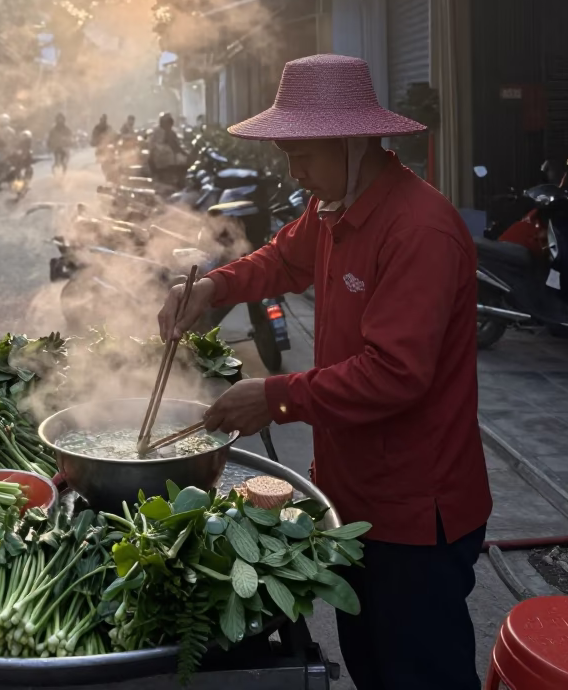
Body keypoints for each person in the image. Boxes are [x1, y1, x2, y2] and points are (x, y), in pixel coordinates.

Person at [158, 54, 492, 690]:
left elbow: (396, 374)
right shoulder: (335, 206)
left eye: (303, 154)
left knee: (420, 673)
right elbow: (281, 261)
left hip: (418, 509)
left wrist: (275, 396)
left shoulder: (418, 230)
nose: (293, 170)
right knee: (369, 662)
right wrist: (213, 288)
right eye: (287, 154)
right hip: (354, 491)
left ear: (354, 141)